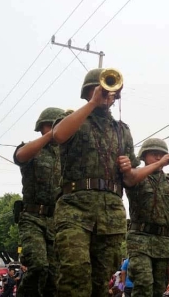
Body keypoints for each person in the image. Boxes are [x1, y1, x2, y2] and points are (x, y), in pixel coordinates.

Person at [52, 68, 162, 297]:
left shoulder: (123, 131)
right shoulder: (74, 119)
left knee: (101, 281)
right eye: (98, 88)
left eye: (109, 89)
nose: (104, 93)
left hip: (110, 212)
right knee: (74, 272)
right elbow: (58, 135)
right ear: (87, 92)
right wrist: (92, 103)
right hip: (75, 209)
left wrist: (128, 169)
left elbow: (130, 180)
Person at [14, 107, 69, 297]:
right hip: (32, 218)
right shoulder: (32, 148)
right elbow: (20, 156)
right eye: (53, 125)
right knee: (38, 266)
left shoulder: (67, 153)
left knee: (54, 278)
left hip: (57, 221)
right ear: (43, 126)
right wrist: (50, 136)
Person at [125, 137, 169, 296]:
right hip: (140, 239)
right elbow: (130, 180)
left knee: (159, 288)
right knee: (143, 284)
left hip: (163, 242)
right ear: (143, 156)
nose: (158, 157)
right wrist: (159, 164)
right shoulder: (137, 175)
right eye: (154, 154)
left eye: (161, 154)